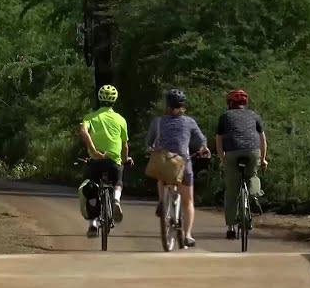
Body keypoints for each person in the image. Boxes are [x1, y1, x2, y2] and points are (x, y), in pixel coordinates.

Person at [146, 89, 211, 247]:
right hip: (182, 164)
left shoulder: (158, 121)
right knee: (188, 201)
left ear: (167, 104)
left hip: (164, 162)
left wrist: (149, 149)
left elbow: (148, 142)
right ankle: (188, 235)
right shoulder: (189, 122)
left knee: (161, 174)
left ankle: (162, 201)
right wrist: (204, 148)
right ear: (183, 105)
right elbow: (201, 140)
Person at [79, 84, 133, 238]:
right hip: (113, 160)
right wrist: (125, 159)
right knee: (118, 181)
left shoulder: (90, 117)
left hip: (95, 161)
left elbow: (83, 130)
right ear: (115, 100)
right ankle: (116, 199)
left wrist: (94, 150)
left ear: (99, 98)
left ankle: (93, 224)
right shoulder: (121, 120)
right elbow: (124, 145)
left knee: (90, 188)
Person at [215, 89, 268, 239]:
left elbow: (219, 139)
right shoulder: (254, 115)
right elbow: (262, 139)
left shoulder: (225, 116)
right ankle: (254, 194)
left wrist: (222, 158)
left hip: (232, 153)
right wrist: (263, 159)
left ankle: (231, 228)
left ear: (229, 103)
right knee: (252, 176)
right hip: (252, 152)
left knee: (232, 190)